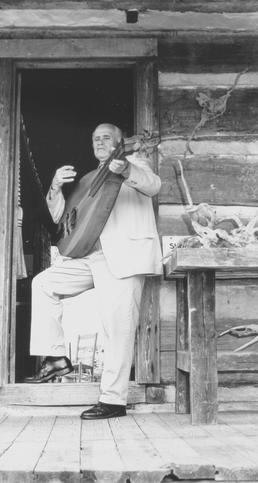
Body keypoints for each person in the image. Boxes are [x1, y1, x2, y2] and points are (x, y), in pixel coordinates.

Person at [24, 123, 162, 420]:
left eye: (106, 138)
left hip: (123, 256)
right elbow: (63, 219)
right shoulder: (88, 179)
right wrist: (55, 187)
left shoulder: (134, 162)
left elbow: (153, 185)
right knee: (43, 283)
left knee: (118, 329)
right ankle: (56, 356)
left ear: (119, 142)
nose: (99, 142)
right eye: (95, 138)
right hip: (90, 256)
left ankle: (113, 401)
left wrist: (125, 169)